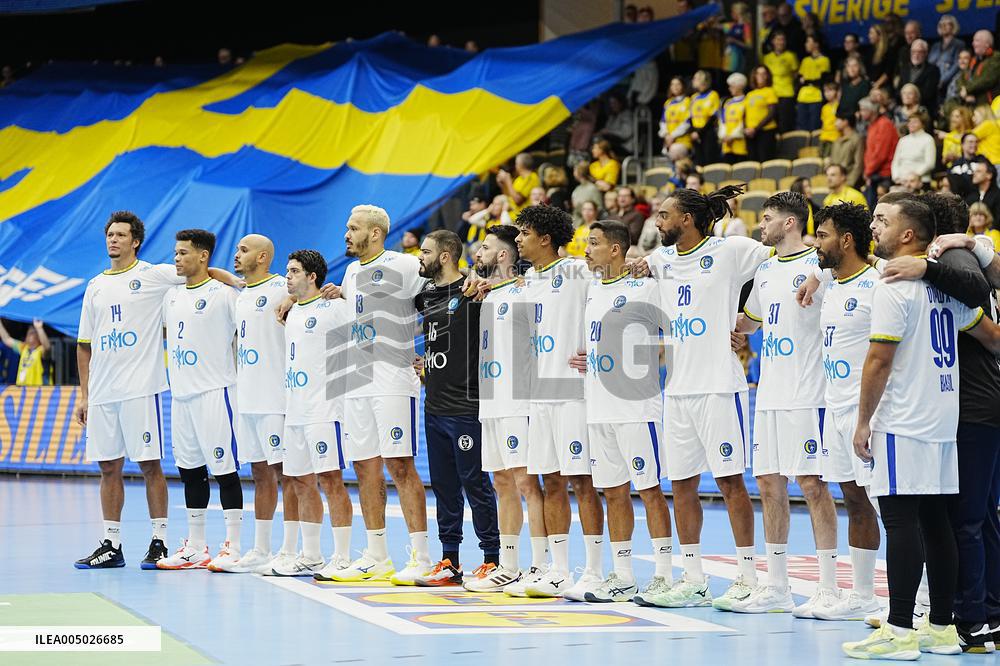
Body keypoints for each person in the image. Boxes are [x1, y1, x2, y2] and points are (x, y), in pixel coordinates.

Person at [843, 194, 1000, 659]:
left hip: (903, 419)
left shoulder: (894, 285)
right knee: (937, 523)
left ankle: (899, 631)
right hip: (944, 420)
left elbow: (879, 359)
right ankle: (942, 628)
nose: (873, 226)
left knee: (901, 523)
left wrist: (863, 421)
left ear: (908, 234)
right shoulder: (944, 286)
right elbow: (992, 337)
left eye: (882, 220)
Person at [74, 211, 237, 570]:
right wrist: (85, 395)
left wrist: (238, 283)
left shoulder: (154, 275)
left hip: (140, 388)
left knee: (149, 465)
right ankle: (112, 545)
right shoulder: (95, 285)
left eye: (121, 235)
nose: (113, 240)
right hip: (102, 392)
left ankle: (159, 541)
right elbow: (84, 345)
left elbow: (202, 272)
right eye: (110, 234)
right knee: (108, 467)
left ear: (135, 242)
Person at [635, 184, 764, 609]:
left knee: (730, 483)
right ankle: (693, 579)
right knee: (682, 486)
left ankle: (748, 577)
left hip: (719, 387)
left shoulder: (731, 250)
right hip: (677, 391)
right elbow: (632, 268)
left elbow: (784, 262)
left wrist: (749, 321)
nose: (658, 221)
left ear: (686, 219)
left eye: (664, 215)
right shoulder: (661, 259)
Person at [735, 192, 841, 616]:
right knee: (767, 483)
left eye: (767, 218)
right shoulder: (763, 270)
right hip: (769, 394)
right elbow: (749, 322)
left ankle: (829, 587)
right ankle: (776, 586)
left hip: (808, 392)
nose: (761, 225)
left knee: (812, 485)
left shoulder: (821, 265)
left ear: (790, 223)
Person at [567, 220, 673, 603]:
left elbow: (674, 329)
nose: (586, 249)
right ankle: (623, 575)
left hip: (636, 407)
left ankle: (663, 575)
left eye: (593, 243)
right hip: (598, 406)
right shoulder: (593, 289)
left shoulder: (647, 286)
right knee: (613, 492)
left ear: (615, 249)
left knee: (649, 490)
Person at [330, 205, 431, 584]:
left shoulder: (405, 265)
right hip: (357, 379)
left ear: (375, 233)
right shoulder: (351, 272)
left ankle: (421, 556)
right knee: (363, 466)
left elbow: (443, 297)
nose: (346, 234)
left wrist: (432, 352)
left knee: (399, 465)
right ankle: (376, 555)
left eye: (353, 228)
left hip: (392, 379)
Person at [514, 205, 605, 601]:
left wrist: (601, 351)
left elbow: (611, 308)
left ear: (546, 238)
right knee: (550, 481)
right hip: (540, 396)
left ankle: (595, 571)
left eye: (524, 233)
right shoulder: (527, 281)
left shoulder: (578, 272)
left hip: (572, 393)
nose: (518, 240)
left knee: (582, 481)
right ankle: (560, 570)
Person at [805, 203, 882, 622]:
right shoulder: (832, 285)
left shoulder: (877, 284)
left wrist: (867, 416)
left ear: (847, 240)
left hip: (870, 411)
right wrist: (816, 276)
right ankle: (863, 596)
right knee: (853, 499)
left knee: (890, 506)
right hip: (834, 408)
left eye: (823, 235)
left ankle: (925, 600)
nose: (816, 243)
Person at [463, 226, 548, 593]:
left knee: (526, 482)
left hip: (518, 400)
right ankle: (509, 565)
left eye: (484, 248)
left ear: (502, 255)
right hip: (491, 400)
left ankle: (540, 565)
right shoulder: (489, 294)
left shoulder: (526, 289)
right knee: (501, 481)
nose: (477, 253)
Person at [413, 230, 500, 585]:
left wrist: (483, 281)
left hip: (466, 406)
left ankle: (492, 559)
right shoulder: (425, 295)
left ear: (445, 256)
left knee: (475, 484)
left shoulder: (474, 291)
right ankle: (450, 561)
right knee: (444, 486)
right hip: (433, 405)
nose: (420, 257)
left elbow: (513, 281)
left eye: (425, 252)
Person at [157, 229, 244, 571]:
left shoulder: (224, 295)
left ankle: (233, 546)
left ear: (203, 255)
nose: (176, 259)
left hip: (215, 393)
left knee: (225, 471)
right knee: (190, 472)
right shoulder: (171, 296)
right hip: (181, 397)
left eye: (183, 253)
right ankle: (195, 547)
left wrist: (231, 280)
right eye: (175, 253)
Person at [215, 235, 295, 574]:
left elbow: (313, 293)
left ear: (263, 257)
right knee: (259, 474)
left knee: (287, 475)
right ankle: (261, 549)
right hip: (246, 399)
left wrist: (292, 297)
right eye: (236, 250)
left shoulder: (281, 287)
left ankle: (292, 549)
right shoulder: (242, 294)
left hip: (276, 399)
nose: (236, 255)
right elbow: (219, 274)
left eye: (243, 250)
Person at [273, 249, 354, 577]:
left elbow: (366, 329)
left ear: (312, 276)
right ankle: (311, 555)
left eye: (294, 272)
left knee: (330, 480)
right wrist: (291, 299)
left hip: (325, 408)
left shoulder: (335, 308)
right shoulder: (291, 311)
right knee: (299, 481)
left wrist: (344, 292)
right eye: (287, 271)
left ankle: (343, 556)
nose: (287, 277)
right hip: (295, 409)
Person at [860, 97, 898, 204]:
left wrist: (867, 171)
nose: (861, 113)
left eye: (863, 109)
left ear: (872, 110)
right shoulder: (872, 125)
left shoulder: (884, 124)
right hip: (874, 172)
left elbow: (881, 154)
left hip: (883, 173)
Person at [763, 31, 799, 133]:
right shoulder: (767, 58)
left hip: (786, 93)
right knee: (771, 122)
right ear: (773, 41)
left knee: (785, 123)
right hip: (771, 94)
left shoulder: (790, 56)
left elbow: (796, 74)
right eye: (778, 39)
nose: (781, 42)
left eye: (783, 40)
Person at [896, 40, 940, 119]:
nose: (916, 55)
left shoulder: (933, 70)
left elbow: (928, 94)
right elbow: (899, 89)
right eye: (913, 52)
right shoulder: (904, 68)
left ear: (926, 53)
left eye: (920, 52)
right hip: (905, 108)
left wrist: (911, 101)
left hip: (924, 109)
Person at [0, 318, 50, 386]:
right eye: (28, 332)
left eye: (33, 332)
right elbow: (6, 339)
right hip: (23, 390)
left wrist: (39, 328)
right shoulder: (23, 348)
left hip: (39, 390)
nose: (29, 334)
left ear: (39, 337)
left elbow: (47, 347)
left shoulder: (41, 351)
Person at [796, 36, 831, 132]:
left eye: (808, 42)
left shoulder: (824, 60)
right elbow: (799, 78)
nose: (806, 44)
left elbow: (822, 80)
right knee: (802, 127)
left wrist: (807, 81)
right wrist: (810, 81)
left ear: (816, 44)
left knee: (815, 126)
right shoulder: (805, 60)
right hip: (802, 97)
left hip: (816, 97)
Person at [745, 66, 779, 163]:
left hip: (765, 132)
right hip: (750, 134)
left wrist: (756, 128)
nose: (761, 76)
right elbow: (745, 114)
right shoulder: (749, 94)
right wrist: (746, 129)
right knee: (752, 162)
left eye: (764, 74)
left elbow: (772, 113)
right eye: (758, 73)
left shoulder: (770, 91)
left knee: (765, 161)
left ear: (768, 76)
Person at [689, 70, 721, 165]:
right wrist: (693, 131)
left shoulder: (713, 95)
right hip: (695, 133)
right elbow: (690, 116)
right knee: (699, 162)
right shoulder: (693, 97)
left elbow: (713, 117)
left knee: (709, 161)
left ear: (702, 80)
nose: (693, 80)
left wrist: (699, 132)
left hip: (707, 132)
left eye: (695, 78)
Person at [961, 30, 1000, 107]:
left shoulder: (996, 58)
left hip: (988, 104)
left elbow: (986, 80)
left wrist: (967, 89)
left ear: (987, 44)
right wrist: (962, 90)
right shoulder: (974, 60)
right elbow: (961, 77)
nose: (973, 43)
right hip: (969, 100)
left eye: (977, 41)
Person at [929, 15, 965, 96]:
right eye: (941, 24)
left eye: (946, 24)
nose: (943, 26)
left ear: (953, 26)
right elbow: (929, 64)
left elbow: (956, 65)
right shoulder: (935, 46)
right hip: (933, 84)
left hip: (950, 85)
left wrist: (942, 81)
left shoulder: (959, 44)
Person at [497, 153, 540, 220]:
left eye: (516, 163)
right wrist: (503, 184)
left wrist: (508, 180)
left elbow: (518, 200)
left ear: (520, 165)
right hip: (511, 215)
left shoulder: (532, 177)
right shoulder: (518, 179)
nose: (515, 166)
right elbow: (509, 196)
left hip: (523, 217)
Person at [718, 72, 749, 164]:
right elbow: (722, 120)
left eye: (732, 86)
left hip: (741, 143)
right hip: (727, 144)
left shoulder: (747, 101)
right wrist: (723, 135)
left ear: (740, 86)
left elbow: (744, 121)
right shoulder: (727, 103)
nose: (729, 88)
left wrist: (733, 136)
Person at [828, 114, 864, 188]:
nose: (835, 124)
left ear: (845, 122)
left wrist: (849, 184)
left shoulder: (857, 139)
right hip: (836, 186)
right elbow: (831, 162)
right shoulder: (836, 141)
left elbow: (858, 165)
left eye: (837, 120)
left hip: (850, 186)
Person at [660, 77, 693, 155]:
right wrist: (666, 135)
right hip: (669, 141)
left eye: (678, 84)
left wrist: (673, 136)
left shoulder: (688, 101)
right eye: (673, 84)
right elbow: (663, 121)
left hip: (683, 141)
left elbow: (687, 123)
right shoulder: (668, 103)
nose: (675, 87)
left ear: (683, 86)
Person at [965, 159, 1000, 225]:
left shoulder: (998, 196)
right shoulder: (970, 196)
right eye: (974, 171)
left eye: (978, 171)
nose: (974, 174)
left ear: (989, 175)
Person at [722, 2, 752, 76]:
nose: (731, 14)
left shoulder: (746, 27)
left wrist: (734, 41)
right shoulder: (732, 25)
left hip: (739, 58)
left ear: (738, 13)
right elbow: (718, 26)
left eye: (733, 12)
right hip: (728, 58)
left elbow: (749, 45)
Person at [818, 82, 840, 158]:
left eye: (830, 90)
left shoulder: (839, 106)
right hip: (823, 137)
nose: (827, 93)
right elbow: (823, 123)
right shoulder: (824, 108)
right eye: (825, 91)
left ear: (836, 92)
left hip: (835, 137)